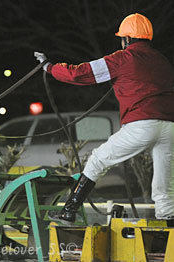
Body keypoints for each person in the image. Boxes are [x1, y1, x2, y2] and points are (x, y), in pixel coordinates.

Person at [34, 13, 174, 224]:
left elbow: (80, 73)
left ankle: (69, 211)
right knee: (165, 185)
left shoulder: (123, 58)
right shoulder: (162, 61)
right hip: (169, 126)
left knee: (98, 159)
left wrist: (50, 67)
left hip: (142, 124)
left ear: (126, 39)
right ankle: (169, 227)